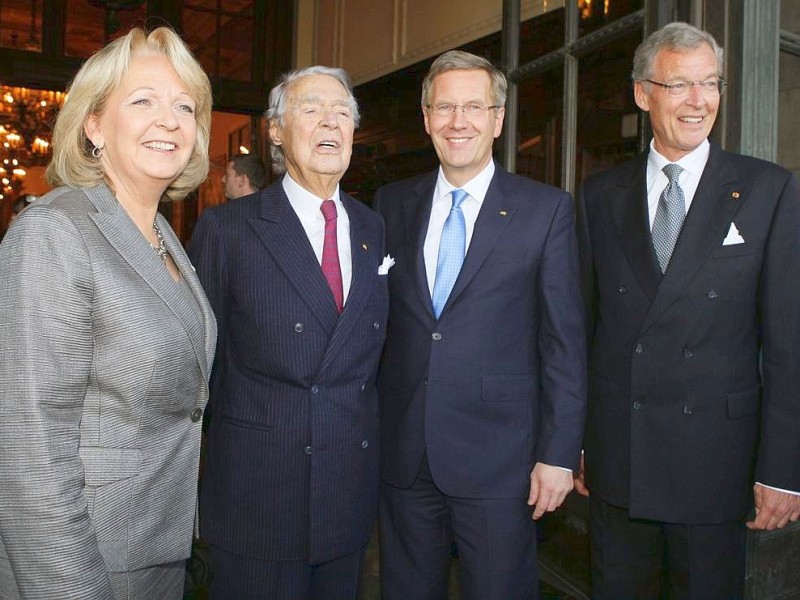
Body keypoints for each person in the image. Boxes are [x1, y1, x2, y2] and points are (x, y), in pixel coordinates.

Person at [576, 21, 800, 599]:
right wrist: (573, 443)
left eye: (710, 83)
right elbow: (582, 331)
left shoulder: (768, 190)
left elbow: (787, 343)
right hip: (619, 458)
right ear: (642, 93)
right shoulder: (599, 196)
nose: (699, 101)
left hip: (715, 465)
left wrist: (781, 469)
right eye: (679, 85)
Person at [0, 26, 216, 599]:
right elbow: (30, 449)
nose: (169, 119)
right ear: (94, 124)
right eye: (142, 100)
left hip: (159, 553)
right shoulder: (55, 230)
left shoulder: (164, 236)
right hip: (87, 561)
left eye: (184, 105)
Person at [374, 50, 587, 600]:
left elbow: (564, 343)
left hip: (503, 463)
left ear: (498, 119)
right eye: (444, 107)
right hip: (405, 455)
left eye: (474, 107)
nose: (457, 121)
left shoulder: (546, 210)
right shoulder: (391, 204)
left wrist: (559, 453)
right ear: (426, 119)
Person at [188, 65, 388, 600]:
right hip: (258, 497)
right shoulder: (228, 229)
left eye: (342, 112)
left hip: (346, 499)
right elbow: (199, 369)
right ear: (275, 131)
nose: (331, 121)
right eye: (312, 108)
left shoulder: (374, 228)